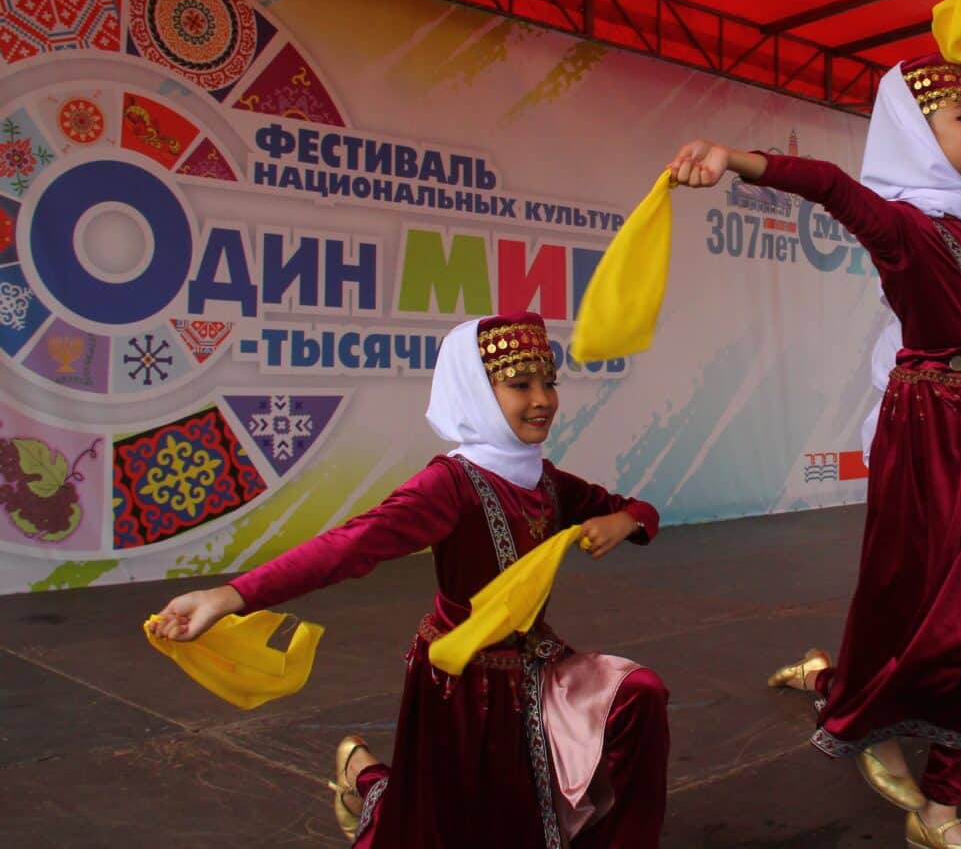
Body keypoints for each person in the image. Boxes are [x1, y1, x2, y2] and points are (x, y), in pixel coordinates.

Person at [669, 36, 961, 849]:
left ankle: (929, 790)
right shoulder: (903, 226)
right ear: (918, 135)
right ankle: (875, 728)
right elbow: (830, 184)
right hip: (936, 437)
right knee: (945, 608)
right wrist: (734, 158)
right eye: (960, 118)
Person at [149, 313, 668, 849]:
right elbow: (350, 545)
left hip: (538, 672)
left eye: (549, 382)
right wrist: (228, 595)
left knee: (639, 696)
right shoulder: (451, 484)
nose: (543, 400)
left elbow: (640, 510)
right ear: (478, 393)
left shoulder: (546, 480)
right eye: (520, 385)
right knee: (434, 829)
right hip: (464, 687)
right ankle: (364, 777)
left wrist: (623, 521)